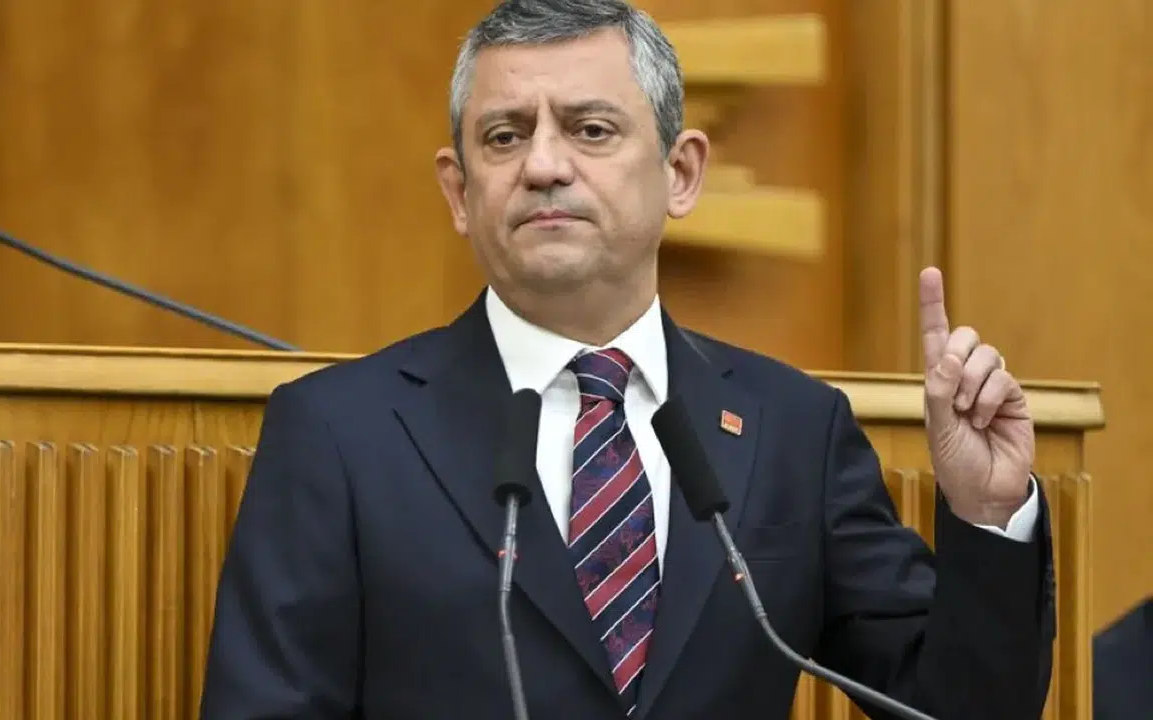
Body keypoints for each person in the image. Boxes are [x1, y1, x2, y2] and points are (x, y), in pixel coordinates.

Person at [200, 1, 1054, 718]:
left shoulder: (796, 431)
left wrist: (988, 514)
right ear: (459, 192)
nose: (543, 166)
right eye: (504, 136)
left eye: (590, 129)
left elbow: (956, 710)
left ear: (681, 172)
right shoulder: (340, 435)